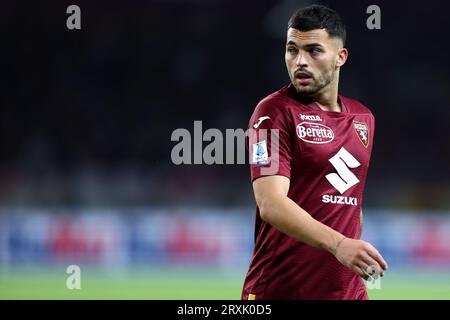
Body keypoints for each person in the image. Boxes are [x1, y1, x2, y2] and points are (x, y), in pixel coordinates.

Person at [242, 4, 388, 300]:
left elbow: (350, 202)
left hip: (346, 293)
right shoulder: (272, 113)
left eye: (313, 51)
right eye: (292, 50)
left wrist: (353, 254)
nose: (300, 62)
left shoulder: (363, 119)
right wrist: (338, 245)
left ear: (340, 57)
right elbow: (270, 203)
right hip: (282, 290)